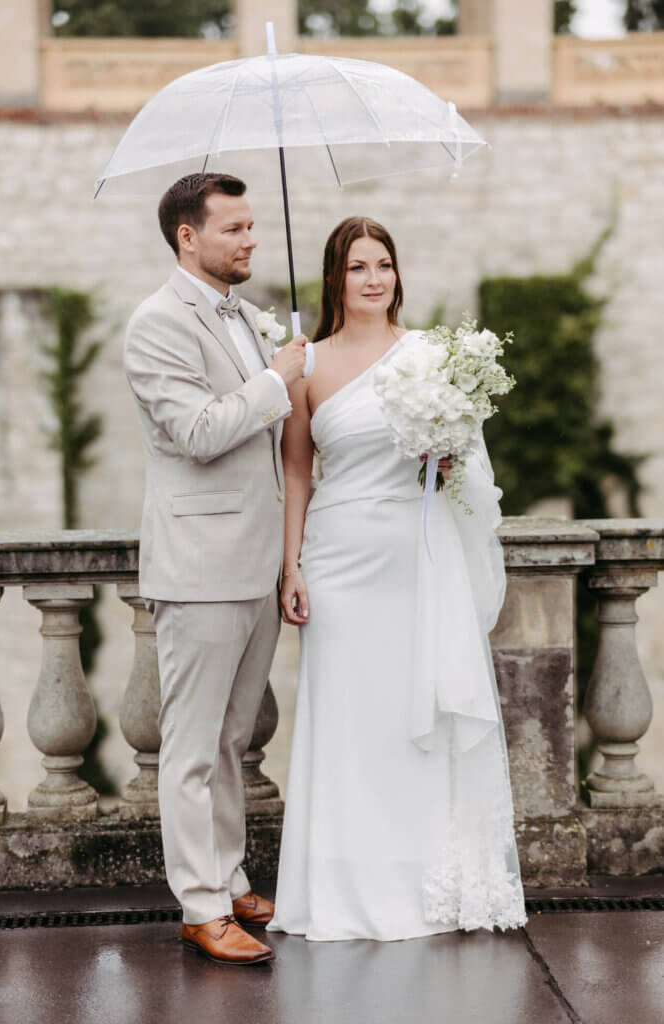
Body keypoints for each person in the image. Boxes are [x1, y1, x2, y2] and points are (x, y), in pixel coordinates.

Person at [268, 216, 526, 941]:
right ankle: (344, 884)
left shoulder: (428, 356)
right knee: (349, 720)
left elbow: (464, 464)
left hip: (414, 559)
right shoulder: (305, 365)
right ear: (335, 278)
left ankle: (417, 880)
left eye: (383, 264)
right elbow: (297, 471)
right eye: (358, 266)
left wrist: (445, 454)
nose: (373, 278)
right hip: (337, 561)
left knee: (413, 721)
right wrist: (291, 565)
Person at [124, 172, 307, 965]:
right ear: (187, 236)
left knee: (233, 738)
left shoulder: (244, 316)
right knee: (193, 746)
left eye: (252, 226)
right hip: (199, 568)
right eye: (234, 228)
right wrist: (276, 380)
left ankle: (229, 879)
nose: (250, 239)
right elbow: (197, 432)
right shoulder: (157, 323)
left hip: (256, 563)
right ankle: (201, 908)